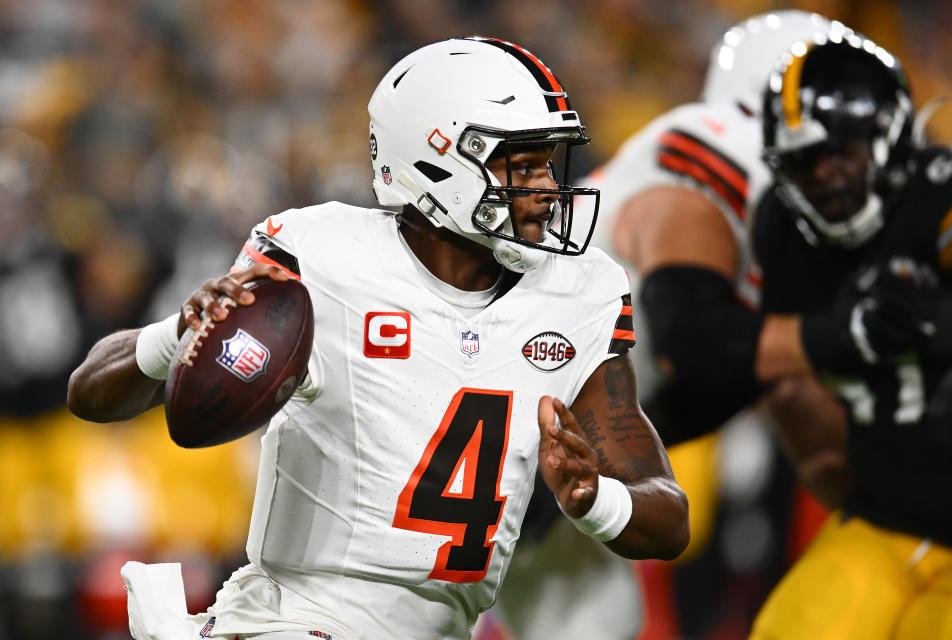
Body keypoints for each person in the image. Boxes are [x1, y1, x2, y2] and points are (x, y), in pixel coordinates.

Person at [66, 37, 689, 640]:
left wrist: (594, 499)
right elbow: (91, 394)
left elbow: (667, 518)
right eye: (521, 167)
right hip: (293, 619)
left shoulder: (579, 291)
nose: (547, 189)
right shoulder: (320, 258)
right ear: (436, 161)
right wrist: (177, 336)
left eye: (547, 165)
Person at [490, 12, 848, 640]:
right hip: (489, 407)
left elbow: (786, 394)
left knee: (599, 625)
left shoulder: (796, 230)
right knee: (412, 607)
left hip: (574, 447)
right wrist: (848, 334)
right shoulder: (715, 150)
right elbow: (696, 333)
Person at [747, 32, 952, 638]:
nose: (827, 179)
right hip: (881, 520)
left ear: (888, 135)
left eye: (839, 153)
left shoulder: (940, 198)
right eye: (804, 164)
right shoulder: (784, 231)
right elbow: (772, 373)